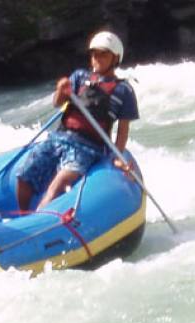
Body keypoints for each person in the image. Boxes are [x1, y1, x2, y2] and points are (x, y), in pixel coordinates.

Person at [16, 30, 139, 211]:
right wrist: (61, 90)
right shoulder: (79, 77)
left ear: (115, 58)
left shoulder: (123, 90)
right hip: (59, 138)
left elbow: (123, 129)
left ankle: (36, 220)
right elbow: (58, 103)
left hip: (88, 148)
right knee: (24, 176)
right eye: (94, 54)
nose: (97, 58)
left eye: (103, 54)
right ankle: (23, 214)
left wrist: (116, 156)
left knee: (59, 183)